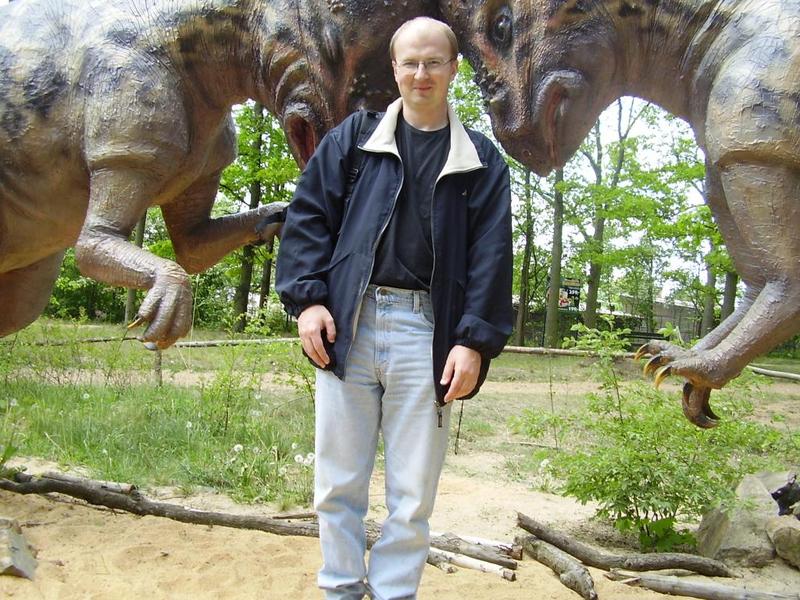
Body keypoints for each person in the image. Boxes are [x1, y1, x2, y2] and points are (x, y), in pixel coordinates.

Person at [276, 16, 512, 600]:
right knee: (337, 485)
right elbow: (308, 218)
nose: (420, 73)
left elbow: (491, 256)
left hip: (428, 335)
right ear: (395, 67)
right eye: (410, 62)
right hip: (348, 324)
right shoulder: (354, 140)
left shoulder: (481, 161)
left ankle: (393, 594)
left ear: (453, 68)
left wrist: (473, 341)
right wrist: (308, 302)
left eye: (433, 62)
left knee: (412, 495)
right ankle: (340, 590)